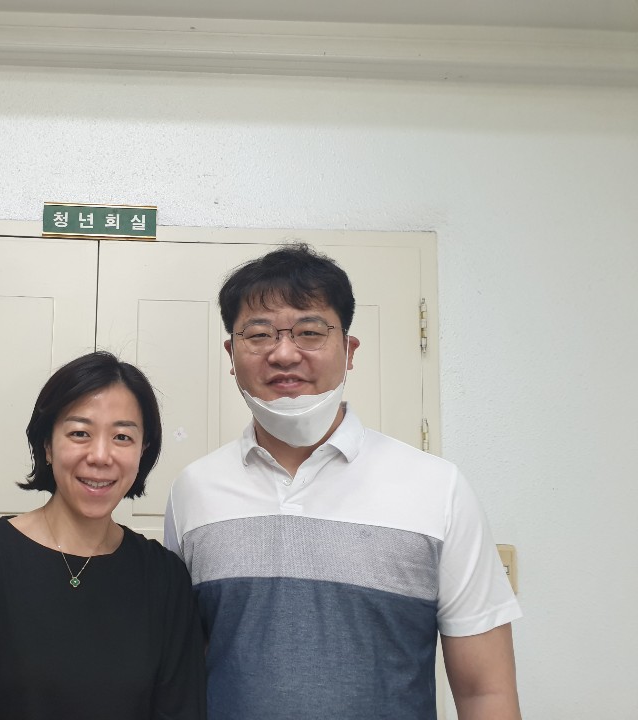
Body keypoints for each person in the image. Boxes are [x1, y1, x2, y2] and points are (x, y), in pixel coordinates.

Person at [164, 245, 522, 720]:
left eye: (310, 332)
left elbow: (485, 693)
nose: (284, 353)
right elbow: (185, 665)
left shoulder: (438, 489)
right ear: (232, 354)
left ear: (349, 350)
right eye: (259, 334)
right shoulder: (193, 490)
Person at [0, 351, 206, 720]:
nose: (101, 456)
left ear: (143, 451)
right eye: (80, 433)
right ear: (47, 445)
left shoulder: (165, 579)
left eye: (122, 436)